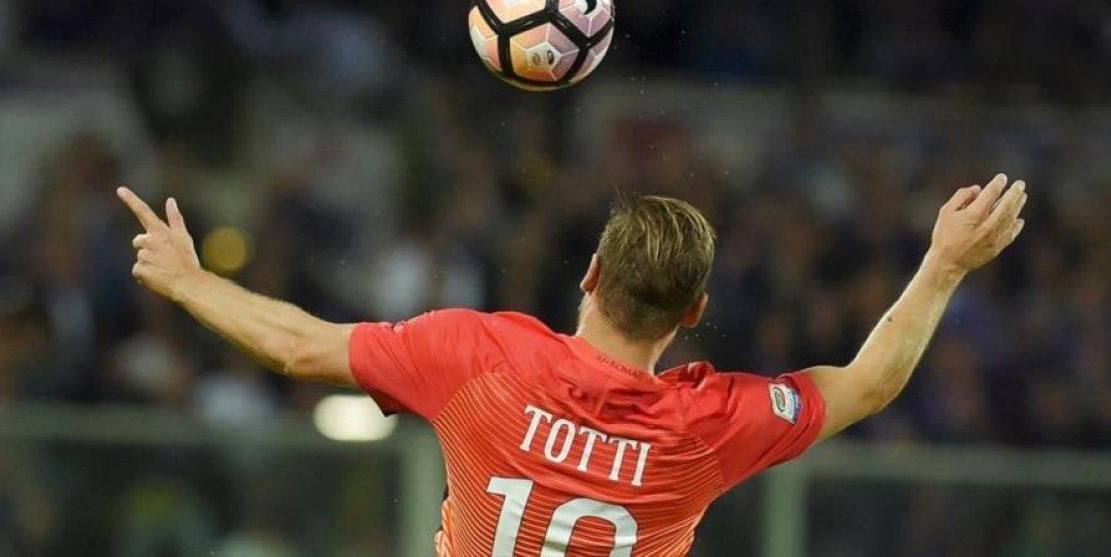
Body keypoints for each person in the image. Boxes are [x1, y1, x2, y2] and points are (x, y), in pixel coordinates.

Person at [116, 173, 1027, 556]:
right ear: (695, 313)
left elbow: (298, 344)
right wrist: (944, 264)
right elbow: (871, 381)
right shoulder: (708, 428)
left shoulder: (477, 356)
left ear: (590, 274)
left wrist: (191, 281)